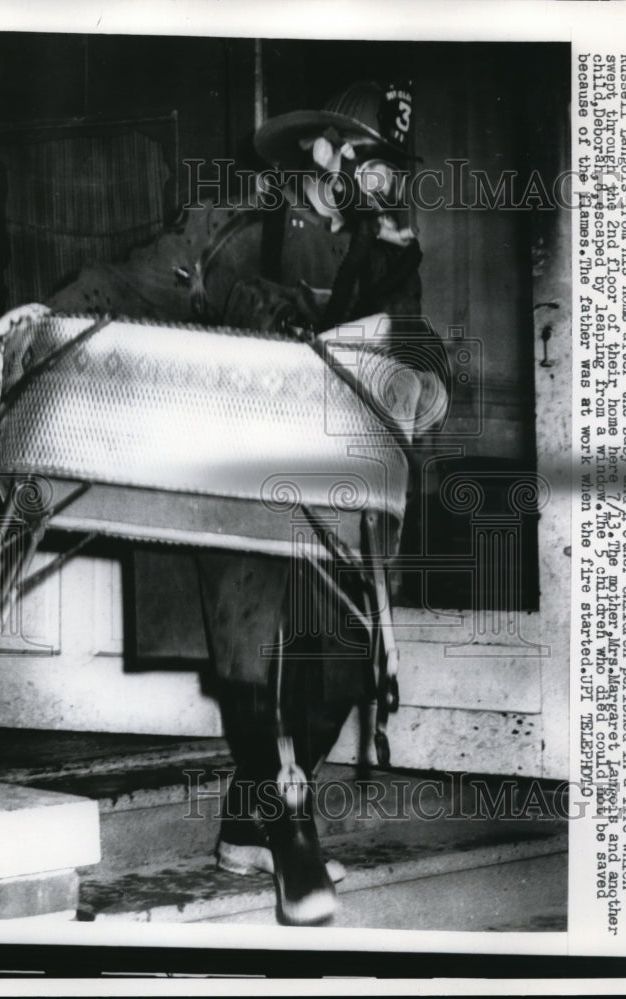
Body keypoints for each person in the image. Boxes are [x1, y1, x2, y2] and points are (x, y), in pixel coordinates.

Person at [45, 80, 448, 925]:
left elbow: (409, 342)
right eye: (374, 164)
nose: (386, 184)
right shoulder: (232, 223)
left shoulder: (384, 252)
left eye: (394, 170)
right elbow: (126, 283)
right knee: (249, 643)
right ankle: (287, 831)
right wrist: (38, 330)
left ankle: (246, 820)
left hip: (331, 478)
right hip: (231, 472)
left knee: (343, 659)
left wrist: (424, 377)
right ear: (325, 153)